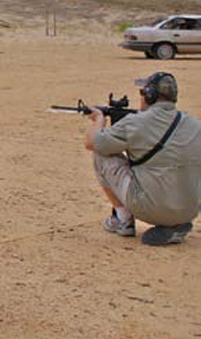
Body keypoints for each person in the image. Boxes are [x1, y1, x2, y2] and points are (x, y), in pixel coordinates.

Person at [85, 72, 201, 246]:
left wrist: (99, 120)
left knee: (101, 154)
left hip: (150, 208)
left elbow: (93, 143)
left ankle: (123, 220)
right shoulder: (194, 123)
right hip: (190, 208)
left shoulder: (136, 122)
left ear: (150, 95)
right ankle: (174, 224)